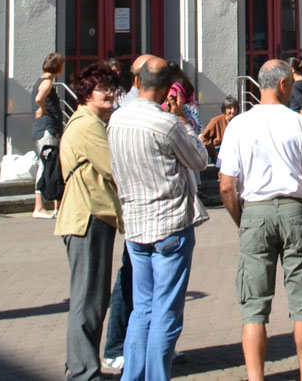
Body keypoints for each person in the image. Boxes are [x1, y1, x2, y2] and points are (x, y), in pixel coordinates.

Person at [219, 60, 302, 381]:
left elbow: (227, 184)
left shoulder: (239, 124)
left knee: (253, 306)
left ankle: (256, 377)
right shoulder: (300, 123)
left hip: (254, 210)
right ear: (283, 85)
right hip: (296, 209)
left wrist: (240, 218)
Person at [108, 57, 209, 381]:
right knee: (165, 313)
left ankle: (133, 376)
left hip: (136, 225)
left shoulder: (117, 119)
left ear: (137, 83)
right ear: (167, 89)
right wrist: (182, 119)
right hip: (169, 225)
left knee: (143, 310)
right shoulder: (165, 124)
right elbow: (199, 159)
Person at [58, 63, 122, 381]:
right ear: (86, 93)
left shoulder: (92, 121)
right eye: (103, 88)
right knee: (88, 300)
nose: (110, 94)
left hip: (93, 217)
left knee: (94, 299)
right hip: (87, 218)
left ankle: (82, 364)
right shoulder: (86, 125)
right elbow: (115, 167)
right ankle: (83, 371)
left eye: (113, 88)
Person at [35, 52, 67, 217]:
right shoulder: (47, 82)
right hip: (48, 129)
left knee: (47, 165)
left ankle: (51, 206)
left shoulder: (42, 80)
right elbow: (39, 98)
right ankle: (39, 207)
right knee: (48, 165)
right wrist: (43, 109)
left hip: (45, 129)